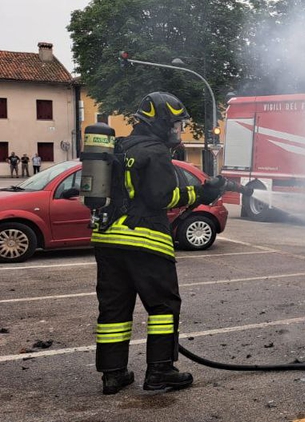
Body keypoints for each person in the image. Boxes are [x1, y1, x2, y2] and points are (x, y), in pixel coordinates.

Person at [91, 92, 227, 395]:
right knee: (163, 307)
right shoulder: (156, 152)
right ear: (161, 122)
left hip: (108, 240)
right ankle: (160, 372)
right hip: (145, 240)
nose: (178, 131)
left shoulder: (120, 146)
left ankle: (113, 375)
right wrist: (201, 194)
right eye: (176, 125)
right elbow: (162, 197)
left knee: (114, 310)